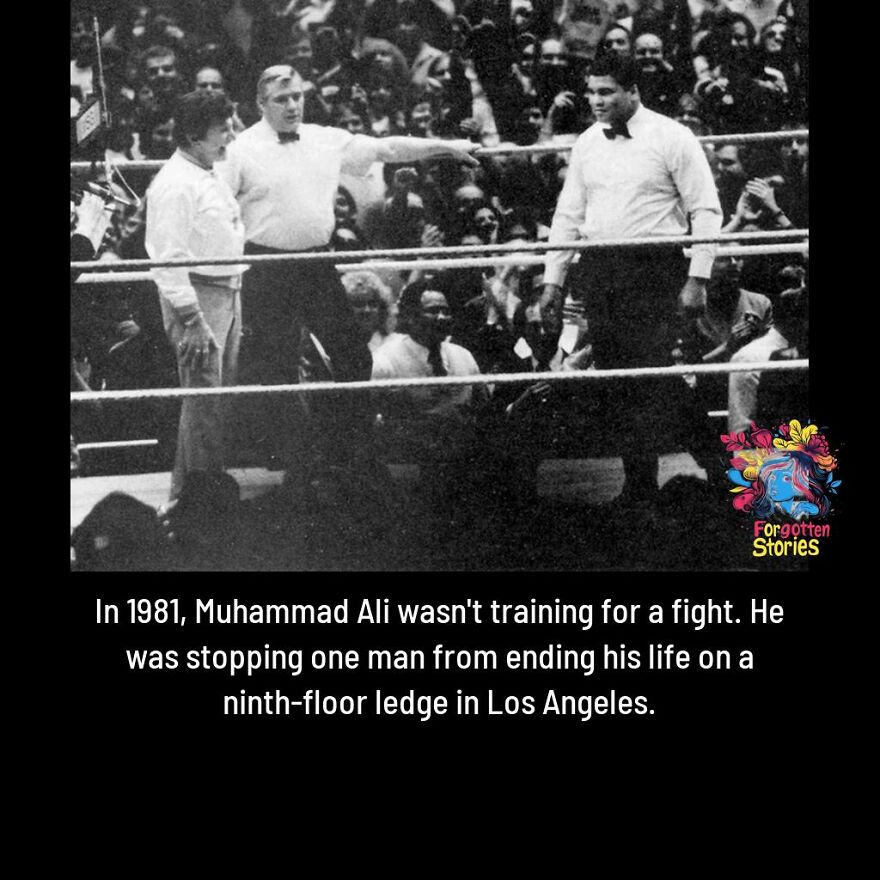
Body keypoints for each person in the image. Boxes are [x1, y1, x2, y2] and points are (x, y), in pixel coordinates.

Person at [216, 64, 479, 472]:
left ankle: (352, 450)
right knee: (274, 365)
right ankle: (290, 461)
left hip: (318, 262)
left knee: (353, 356)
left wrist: (443, 147)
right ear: (260, 104)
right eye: (281, 99)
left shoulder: (325, 139)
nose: (291, 106)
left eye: (297, 96)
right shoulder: (239, 149)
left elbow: (388, 149)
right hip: (265, 267)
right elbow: (218, 207)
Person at [539, 54, 722, 505]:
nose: (595, 101)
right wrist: (552, 280)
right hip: (601, 269)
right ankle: (639, 484)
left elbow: (705, 208)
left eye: (606, 92)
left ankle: (720, 467)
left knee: (655, 375)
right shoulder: (586, 143)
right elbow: (568, 214)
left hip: (654, 268)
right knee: (619, 381)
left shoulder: (673, 136)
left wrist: (697, 277)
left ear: (633, 90)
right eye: (591, 92)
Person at [145, 90, 245, 501]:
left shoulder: (206, 169)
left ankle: (195, 500)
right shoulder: (174, 185)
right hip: (198, 297)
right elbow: (166, 259)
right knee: (203, 405)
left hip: (225, 291)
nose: (231, 136)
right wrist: (193, 319)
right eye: (222, 129)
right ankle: (194, 506)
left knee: (213, 404)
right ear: (192, 135)